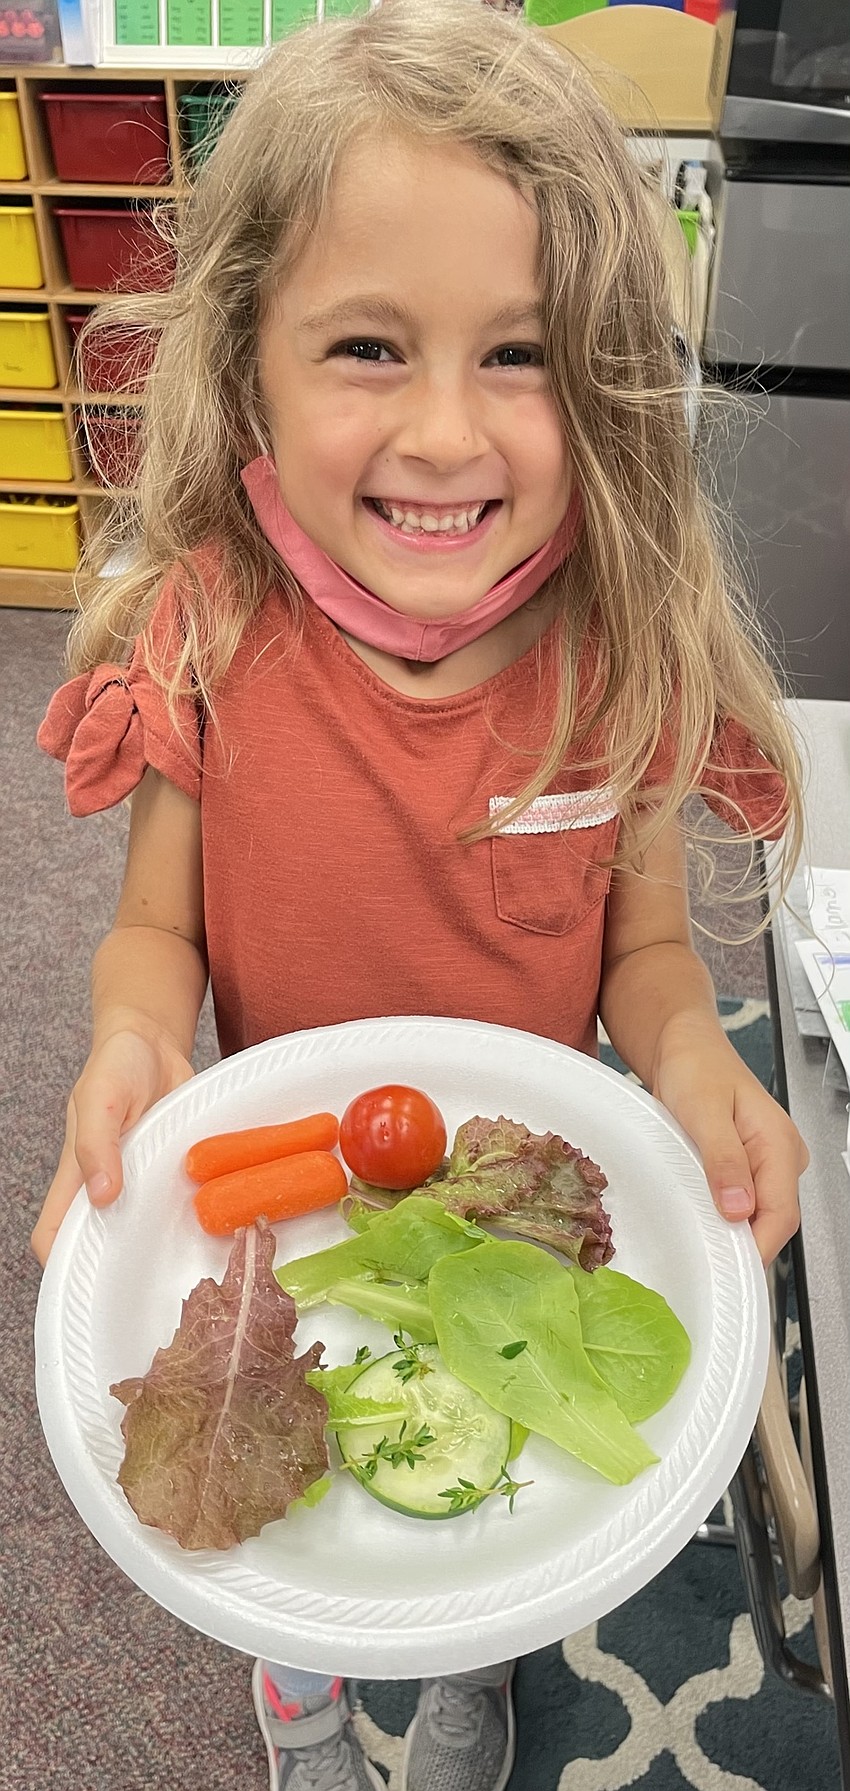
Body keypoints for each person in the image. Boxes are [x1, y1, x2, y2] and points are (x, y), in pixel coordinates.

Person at [33, 2, 809, 1787]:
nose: (446, 433)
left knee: (495, 1477)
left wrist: (695, 1072)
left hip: (508, 1192)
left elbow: (646, 963)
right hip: (274, 1198)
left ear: (602, 371)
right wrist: (135, 1039)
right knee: (270, 1475)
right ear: (251, 358)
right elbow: (151, 927)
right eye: (369, 346)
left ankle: (468, 1654)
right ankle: (301, 1683)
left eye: (519, 354)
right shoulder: (213, 630)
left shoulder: (613, 657)